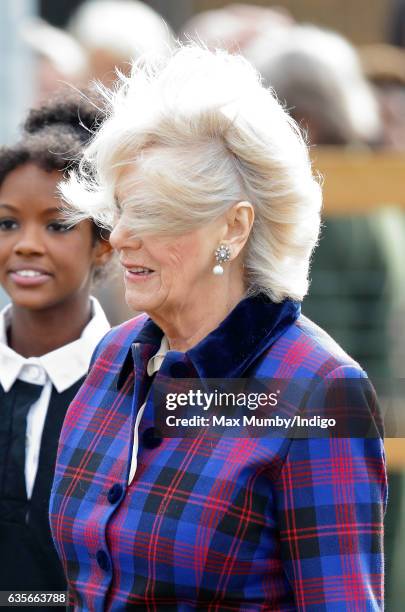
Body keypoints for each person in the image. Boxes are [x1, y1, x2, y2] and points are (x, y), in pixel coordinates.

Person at [50, 46, 387, 610]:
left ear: (233, 227)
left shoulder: (315, 390)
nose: (124, 236)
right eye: (123, 208)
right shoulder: (114, 356)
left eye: (156, 213)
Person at [0, 95, 112, 600]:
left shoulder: (135, 388)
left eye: (58, 224)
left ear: (104, 242)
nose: (26, 243)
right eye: (7, 223)